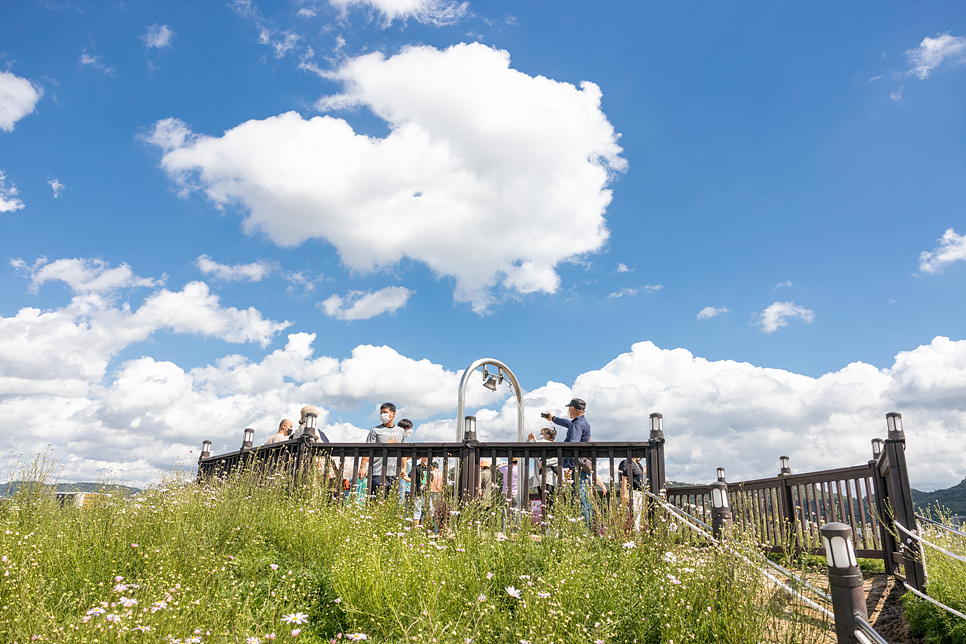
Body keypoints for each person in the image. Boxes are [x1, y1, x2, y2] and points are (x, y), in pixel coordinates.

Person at [542, 398, 592, 526]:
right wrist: (553, 419)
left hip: (575, 468)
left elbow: (572, 446)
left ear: (572, 409)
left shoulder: (577, 425)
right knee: (582, 497)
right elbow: (568, 423)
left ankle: (586, 530)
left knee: (578, 499)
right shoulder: (582, 423)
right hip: (581, 467)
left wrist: (569, 468)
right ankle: (591, 529)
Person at [359, 403, 405, 494]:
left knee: (390, 501)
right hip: (377, 471)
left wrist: (404, 468)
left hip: (394, 472)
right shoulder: (375, 430)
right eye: (381, 413)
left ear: (393, 414)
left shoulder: (401, 431)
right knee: (376, 499)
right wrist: (362, 467)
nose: (382, 415)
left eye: (385, 412)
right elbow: (367, 450)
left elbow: (403, 451)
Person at [619, 457, 645, 530]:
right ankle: (634, 532)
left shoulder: (637, 464)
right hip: (632, 491)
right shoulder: (627, 462)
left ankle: (637, 532)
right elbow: (624, 479)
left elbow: (640, 472)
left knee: (638, 513)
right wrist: (624, 493)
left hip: (639, 491)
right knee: (634, 513)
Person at [396, 419, 414, 503]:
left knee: (401, 496)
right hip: (400, 471)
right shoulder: (398, 440)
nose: (410, 431)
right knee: (400, 497)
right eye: (408, 429)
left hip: (403, 472)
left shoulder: (404, 440)